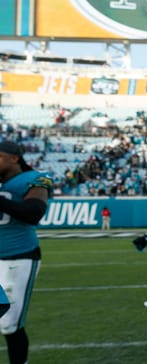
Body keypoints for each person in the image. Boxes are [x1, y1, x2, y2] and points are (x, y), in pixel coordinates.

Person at [0, 140, 53, 364]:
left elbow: (33, 212)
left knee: (9, 323)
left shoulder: (34, 179)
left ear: (14, 158)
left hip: (18, 257)